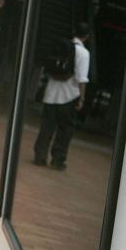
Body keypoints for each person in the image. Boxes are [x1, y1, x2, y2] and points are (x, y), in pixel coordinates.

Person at [34, 22, 90, 171]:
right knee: (65, 130)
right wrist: (82, 98)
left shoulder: (60, 46)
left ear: (73, 31)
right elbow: (82, 79)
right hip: (69, 96)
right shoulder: (84, 53)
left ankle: (40, 156)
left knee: (47, 126)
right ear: (87, 36)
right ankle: (58, 160)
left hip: (51, 94)